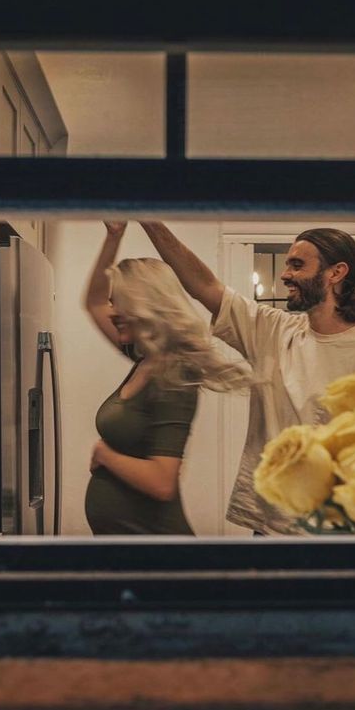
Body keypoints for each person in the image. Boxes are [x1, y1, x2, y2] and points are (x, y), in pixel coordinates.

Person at [139, 222, 355, 535]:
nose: (284, 274)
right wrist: (149, 221)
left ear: (336, 273)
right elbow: (204, 286)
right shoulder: (274, 330)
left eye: (297, 264)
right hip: (268, 525)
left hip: (333, 530)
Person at [83, 222, 251, 535]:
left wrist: (105, 455)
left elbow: (163, 483)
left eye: (117, 301)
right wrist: (113, 236)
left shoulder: (175, 376)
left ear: (142, 306)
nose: (111, 311)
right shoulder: (145, 358)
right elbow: (93, 301)